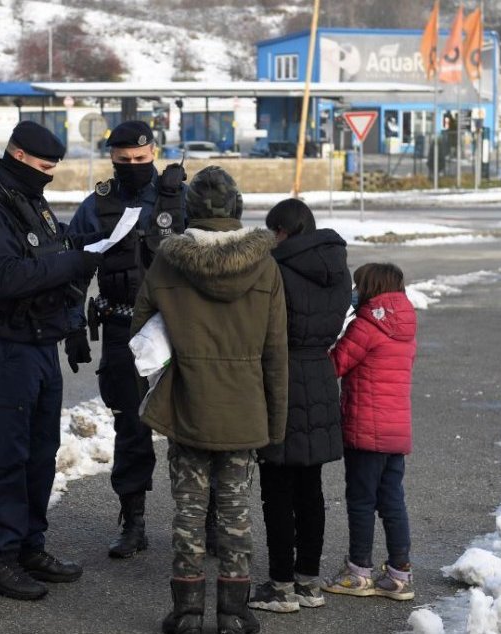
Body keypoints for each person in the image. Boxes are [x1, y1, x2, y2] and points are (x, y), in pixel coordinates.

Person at [131, 166, 288, 634]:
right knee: (236, 510)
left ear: (189, 210)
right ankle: (234, 613)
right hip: (244, 408)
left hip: (186, 404)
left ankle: (186, 613)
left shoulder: (167, 263)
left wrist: (155, 393)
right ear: (237, 208)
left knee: (189, 511)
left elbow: (141, 338)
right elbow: (276, 352)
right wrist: (275, 424)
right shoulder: (265, 266)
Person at [0, 121, 102, 601]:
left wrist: (74, 316)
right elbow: (4, 278)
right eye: (43, 167)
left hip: (41, 343)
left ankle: (29, 548)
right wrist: (72, 262)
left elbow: (52, 255)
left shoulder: (30, 200)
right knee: (6, 456)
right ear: (18, 156)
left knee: (41, 454)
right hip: (7, 348)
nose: (49, 176)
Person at [69, 120, 188, 558]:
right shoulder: (97, 206)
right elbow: (73, 266)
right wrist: (73, 325)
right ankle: (133, 523)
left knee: (194, 425)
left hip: (180, 329)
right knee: (131, 427)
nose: (133, 165)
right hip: (123, 328)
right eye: (124, 160)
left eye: (140, 158)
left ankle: (205, 521)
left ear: (154, 152)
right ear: (112, 158)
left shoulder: (181, 199)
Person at [247, 199, 351, 614]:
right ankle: (309, 581)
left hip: (281, 379)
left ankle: (280, 585)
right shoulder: (338, 268)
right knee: (310, 489)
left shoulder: (275, 268)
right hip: (321, 377)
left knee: (277, 490)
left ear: (282, 231)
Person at [322, 263, 417, 601]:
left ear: (370, 288)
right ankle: (399, 574)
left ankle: (358, 571)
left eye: (358, 285)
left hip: (366, 429)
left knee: (361, 501)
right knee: (392, 501)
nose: (354, 291)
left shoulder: (366, 325)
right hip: (396, 431)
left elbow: (336, 364)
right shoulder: (405, 324)